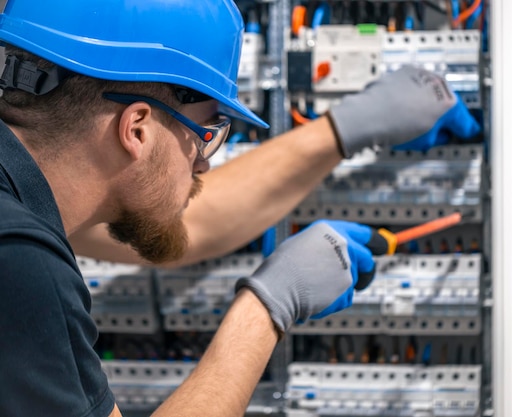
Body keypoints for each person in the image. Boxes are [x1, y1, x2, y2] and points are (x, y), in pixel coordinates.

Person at [0, 1, 480, 416]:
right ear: (137, 130)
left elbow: (188, 217)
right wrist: (267, 307)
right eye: (206, 134)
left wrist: (348, 127)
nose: (204, 164)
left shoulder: (26, 193)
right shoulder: (22, 265)